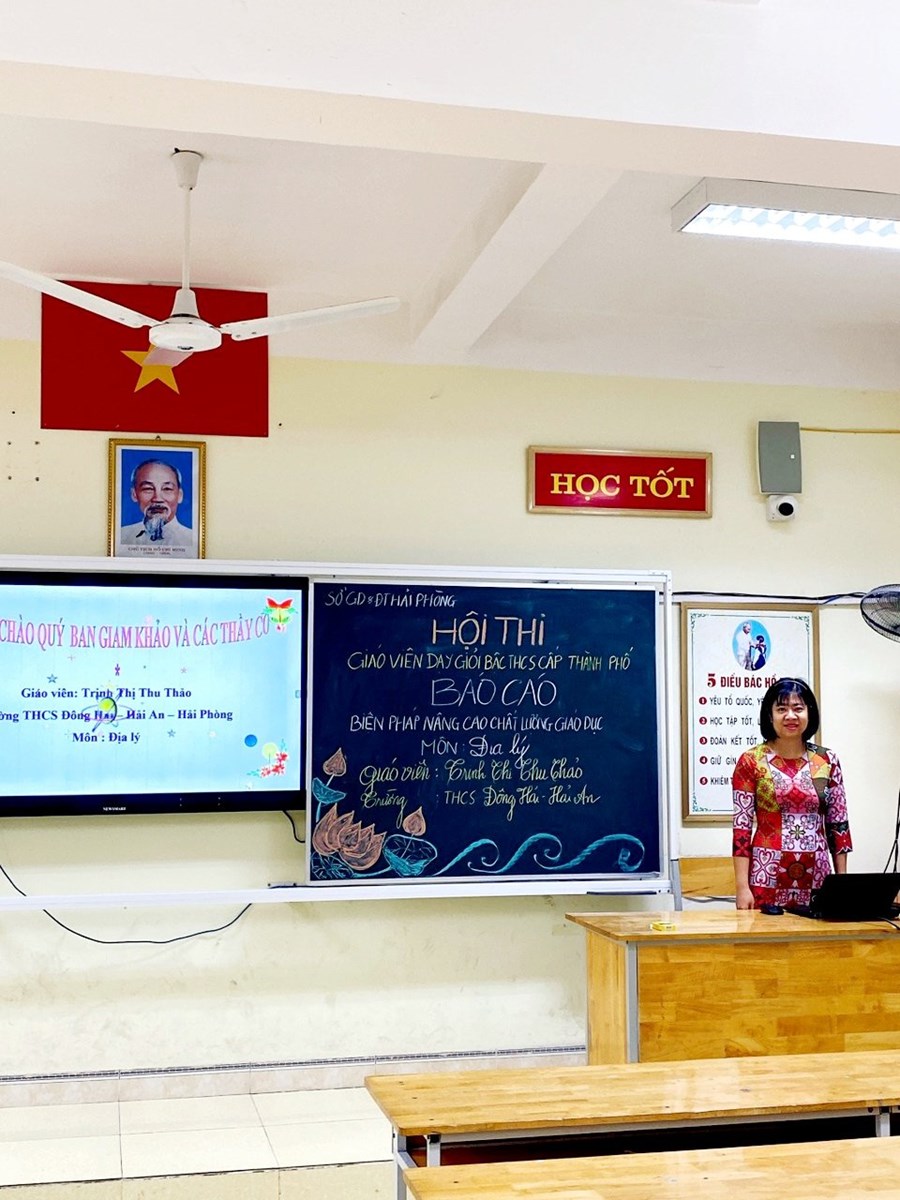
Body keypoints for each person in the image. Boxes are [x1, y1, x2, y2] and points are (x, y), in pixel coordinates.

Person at [732, 677, 851, 910]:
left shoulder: (827, 760)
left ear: (810, 713)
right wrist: (741, 887)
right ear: (769, 715)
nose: (790, 716)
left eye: (798, 708)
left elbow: (839, 825)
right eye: (781, 709)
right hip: (765, 880)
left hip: (818, 879)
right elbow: (741, 830)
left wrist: (842, 883)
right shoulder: (751, 761)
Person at [119, 458, 193, 549]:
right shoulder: (121, 537)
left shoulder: (192, 540)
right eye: (148, 489)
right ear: (134, 494)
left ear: (180, 495)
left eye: (167, 489)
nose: (157, 499)